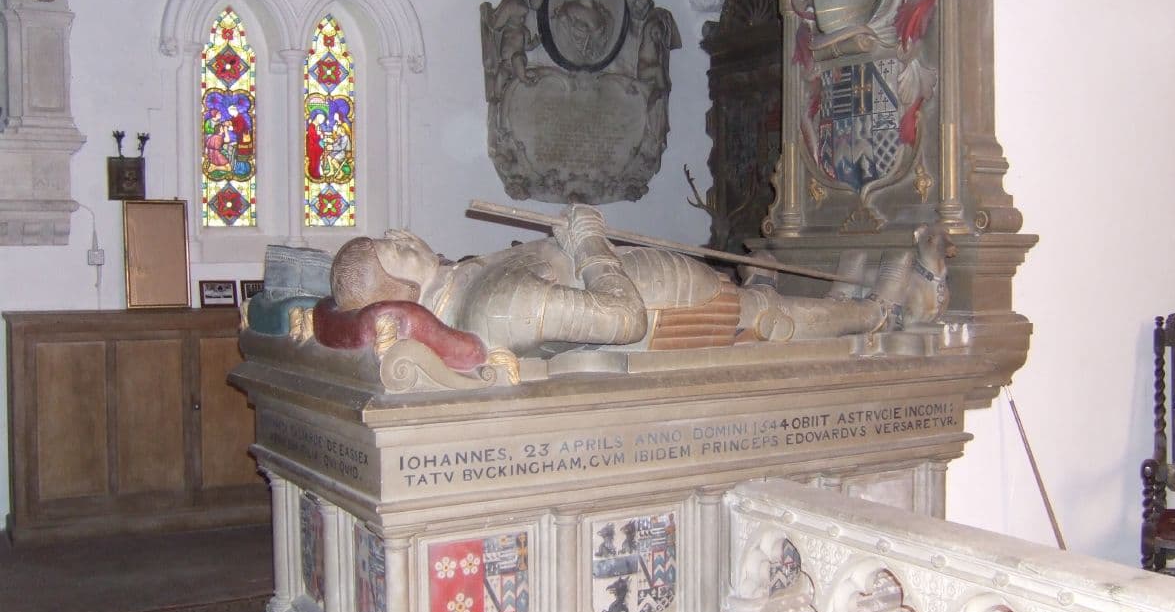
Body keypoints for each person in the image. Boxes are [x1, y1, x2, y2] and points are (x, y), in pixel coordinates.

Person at [328, 204, 890, 358]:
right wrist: (588, 236)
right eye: (396, 249)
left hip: (638, 275)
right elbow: (623, 320)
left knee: (758, 302)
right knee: (761, 318)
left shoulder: (467, 287)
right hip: (661, 306)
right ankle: (874, 314)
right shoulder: (495, 305)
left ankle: (840, 300)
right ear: (401, 293)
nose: (406, 236)